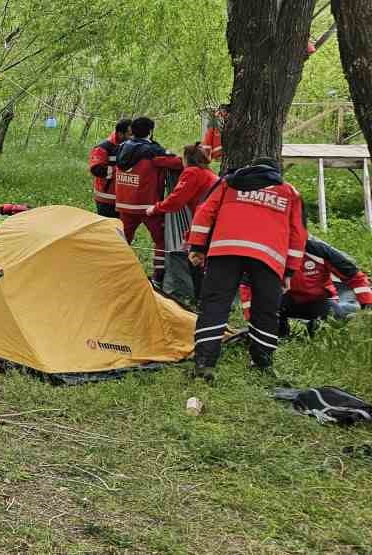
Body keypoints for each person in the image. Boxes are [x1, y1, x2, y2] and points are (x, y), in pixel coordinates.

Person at [187, 158, 306, 381]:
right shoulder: (289, 192)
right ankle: (262, 363)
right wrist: (289, 272)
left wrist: (198, 246)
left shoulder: (228, 183)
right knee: (265, 309)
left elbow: (205, 212)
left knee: (214, 304)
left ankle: (204, 364)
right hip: (269, 257)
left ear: (248, 168)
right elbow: (298, 234)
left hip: (225, 250)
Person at [241, 237, 372, 339]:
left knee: (333, 321)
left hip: (319, 301)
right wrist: (253, 320)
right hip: (284, 300)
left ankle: (319, 323)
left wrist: (367, 307)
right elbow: (247, 286)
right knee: (270, 326)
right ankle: (280, 330)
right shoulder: (266, 253)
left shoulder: (319, 251)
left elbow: (356, 277)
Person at [114, 116, 183, 282]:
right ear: (151, 131)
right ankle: (158, 276)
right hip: (147, 205)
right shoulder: (152, 152)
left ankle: (115, 271)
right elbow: (177, 163)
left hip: (124, 204)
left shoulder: (122, 148)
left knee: (123, 240)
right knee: (161, 240)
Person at [150, 144, 220, 305]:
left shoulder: (191, 173)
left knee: (195, 258)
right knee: (202, 257)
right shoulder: (207, 173)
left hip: (208, 220)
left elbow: (176, 201)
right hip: (214, 220)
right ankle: (206, 297)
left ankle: (201, 299)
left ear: (188, 158)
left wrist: (155, 208)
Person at [88, 118, 131, 218]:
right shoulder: (103, 147)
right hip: (106, 200)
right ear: (120, 134)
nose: (133, 137)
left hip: (122, 200)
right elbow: (97, 170)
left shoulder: (129, 146)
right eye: (130, 134)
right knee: (107, 230)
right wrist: (121, 170)